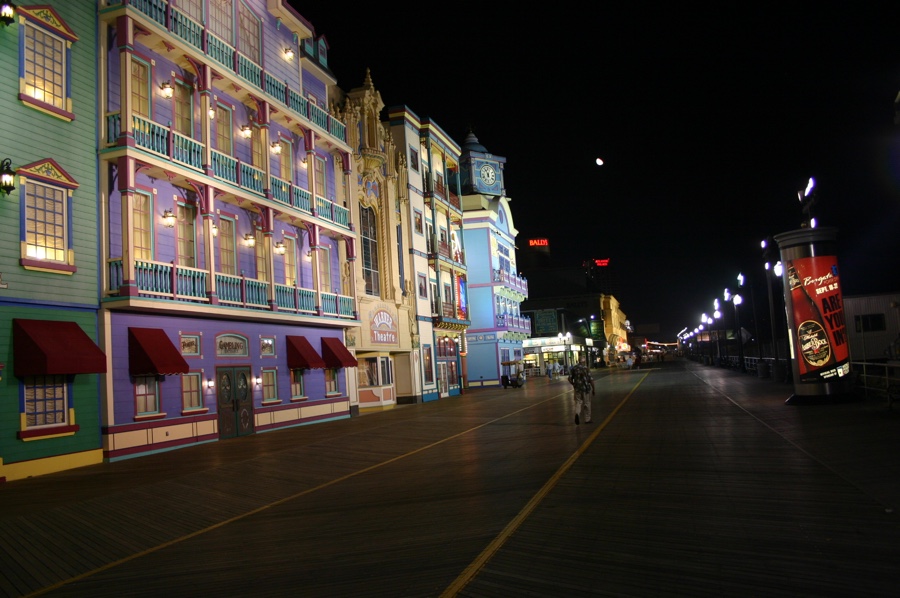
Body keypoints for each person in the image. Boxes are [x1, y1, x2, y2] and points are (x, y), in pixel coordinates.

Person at [567, 359, 595, 425]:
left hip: (577, 389)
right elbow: (591, 380)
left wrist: (573, 384)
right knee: (587, 403)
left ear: (578, 361)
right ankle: (587, 419)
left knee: (578, 402)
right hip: (586, 389)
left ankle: (577, 413)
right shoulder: (586, 368)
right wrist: (594, 389)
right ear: (584, 362)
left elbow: (569, 378)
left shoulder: (574, 368)